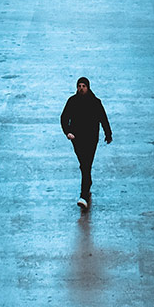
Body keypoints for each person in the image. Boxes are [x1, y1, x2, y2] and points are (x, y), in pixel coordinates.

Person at [60, 75, 112, 209]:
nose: (81, 89)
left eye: (83, 86)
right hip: (77, 138)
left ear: (88, 87)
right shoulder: (72, 101)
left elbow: (103, 118)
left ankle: (83, 195)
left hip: (91, 138)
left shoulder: (95, 102)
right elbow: (64, 117)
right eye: (79, 86)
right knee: (84, 164)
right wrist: (67, 132)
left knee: (85, 164)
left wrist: (108, 134)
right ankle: (87, 184)